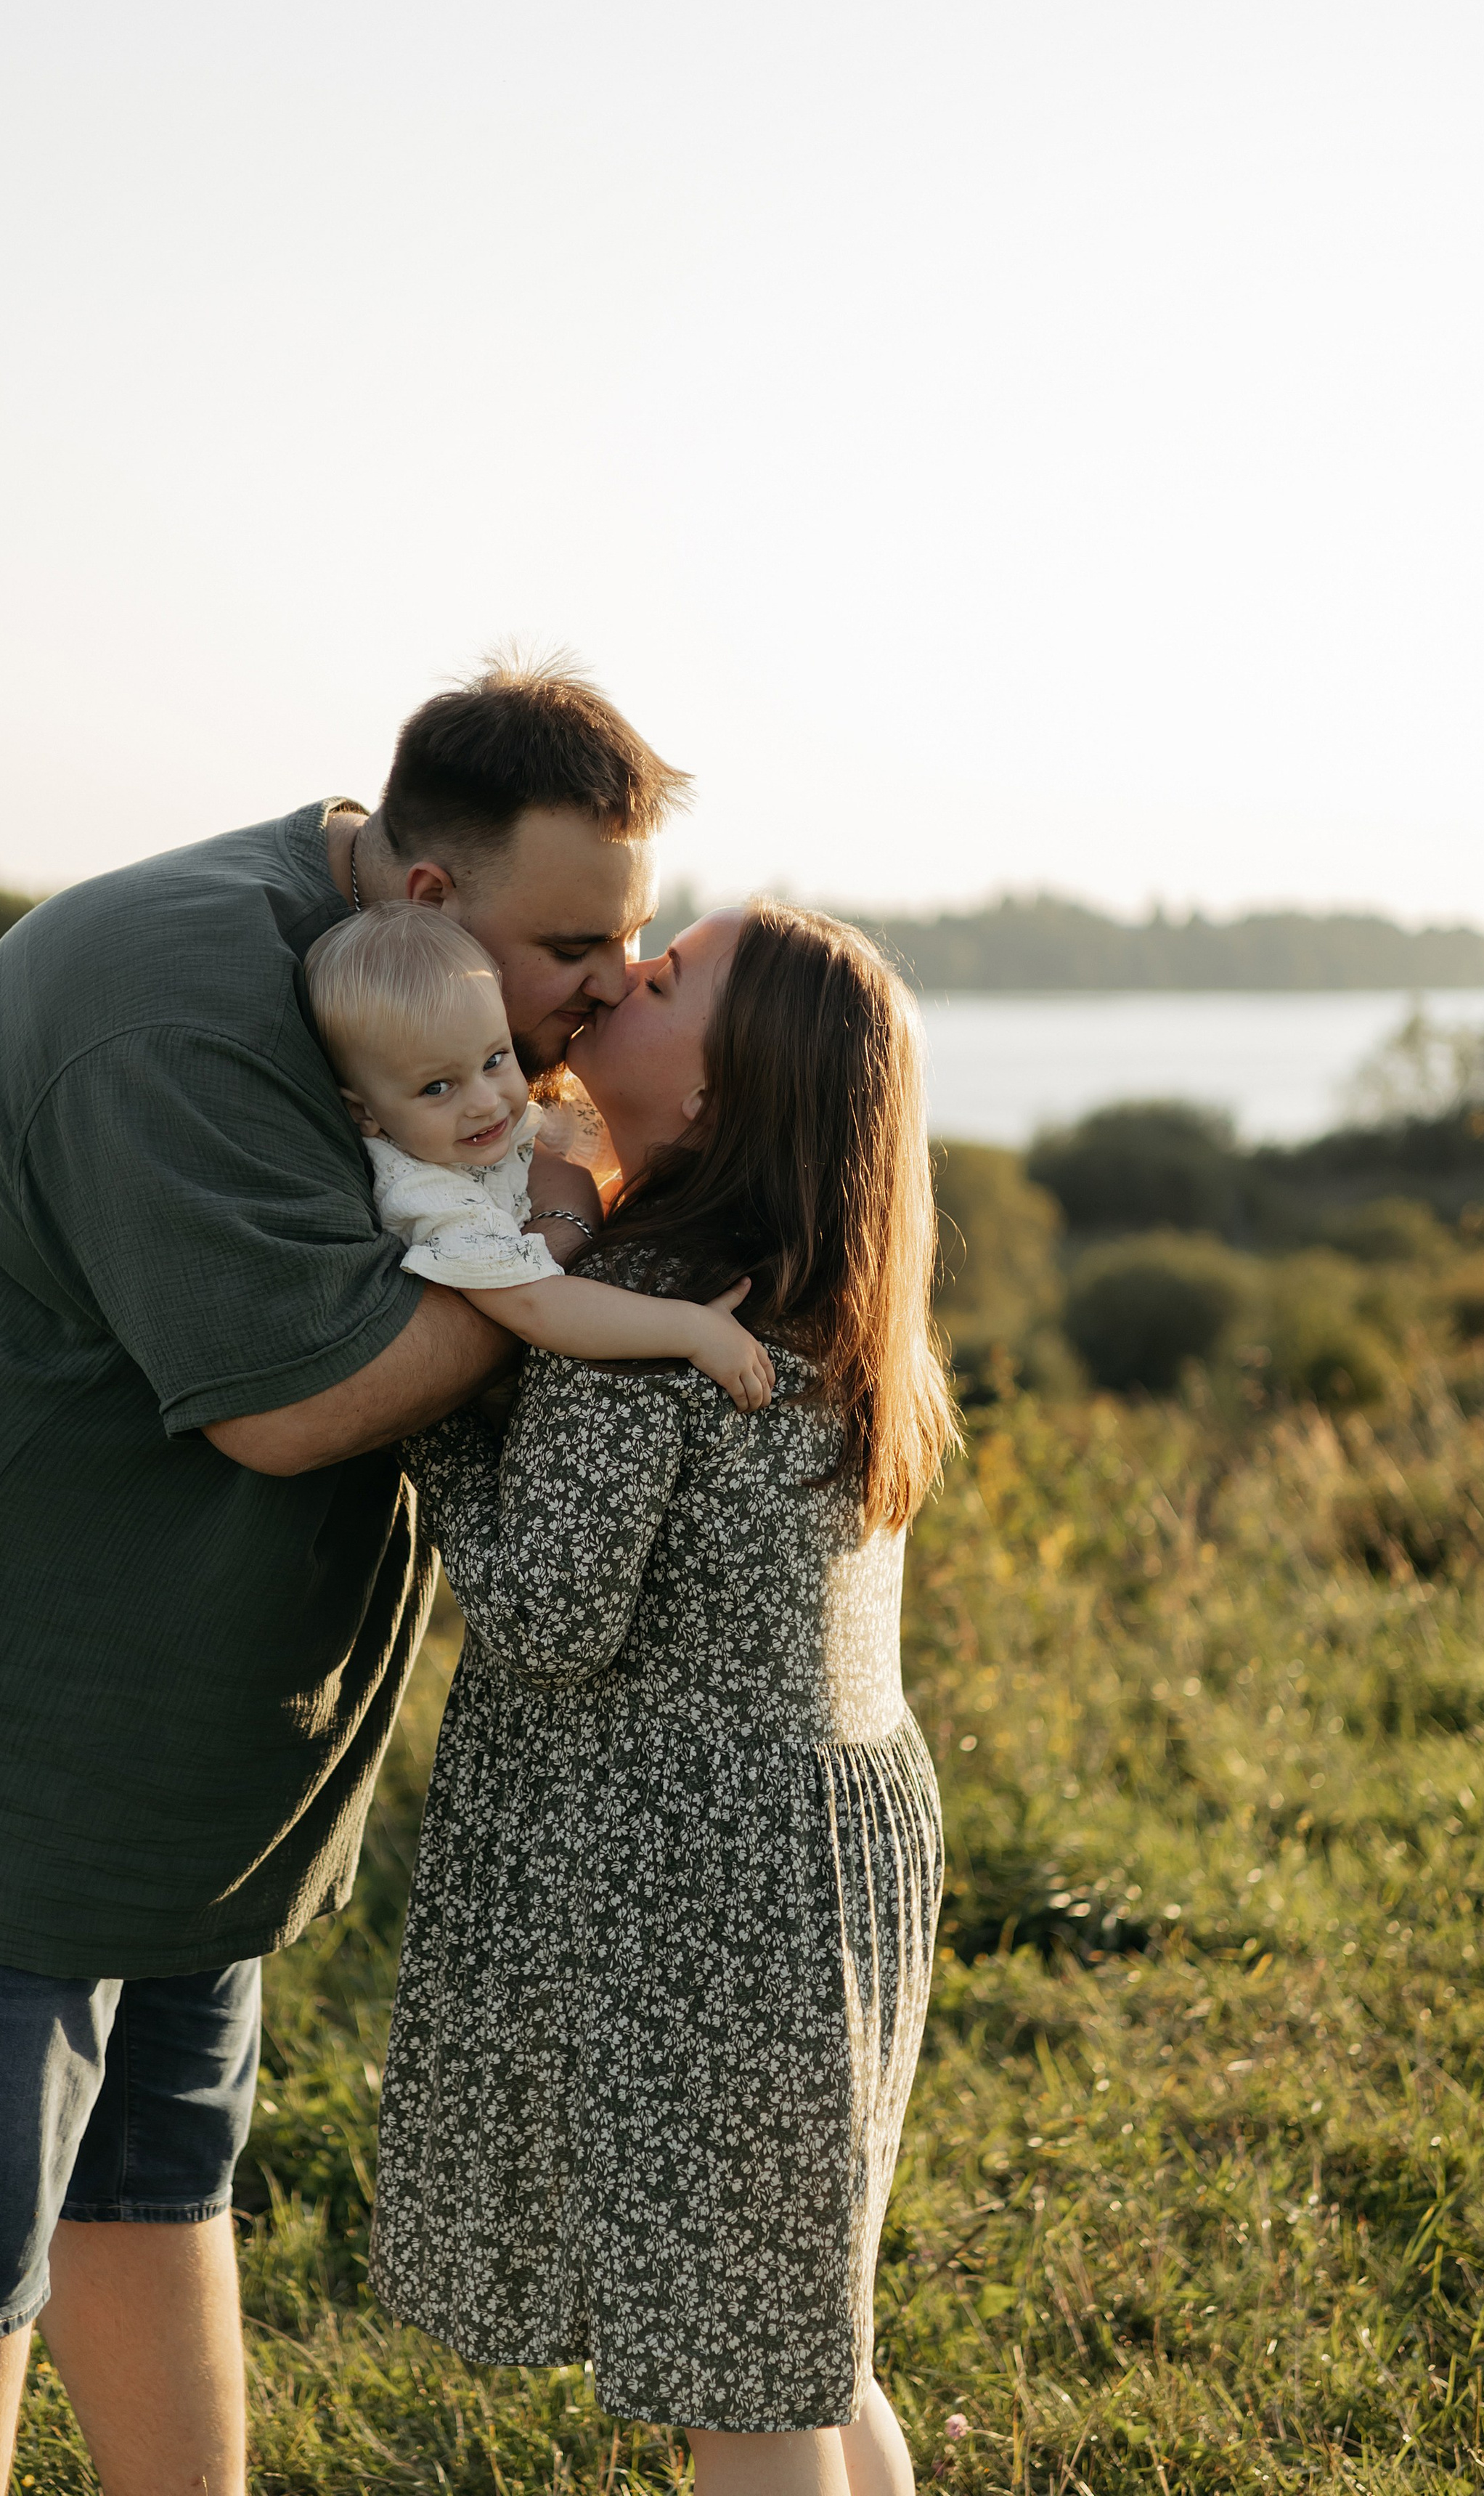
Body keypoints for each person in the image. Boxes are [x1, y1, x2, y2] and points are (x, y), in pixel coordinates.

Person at [0, 659, 686, 2496]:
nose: (610, 986)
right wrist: (554, 1234)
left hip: (165, 1737)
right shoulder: (174, 998)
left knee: (155, 2170)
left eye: (630, 942)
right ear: (422, 900)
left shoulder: (416, 1009)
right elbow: (307, 1398)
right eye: (574, 941)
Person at [371, 901, 962, 2496]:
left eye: (666, 974)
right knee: (796, 2348)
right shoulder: (817, 1287)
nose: (622, 973)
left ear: (717, 1094)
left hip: (692, 1897)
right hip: (819, 1860)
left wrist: (424, 1420)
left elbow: (550, 1616)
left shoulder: (646, 1301)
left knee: (747, 2396)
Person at [306, 899, 775, 1407]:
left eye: (494, 1058)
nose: (486, 1102)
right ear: (365, 1114)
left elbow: (573, 1132)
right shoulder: (428, 1194)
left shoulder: (468, 1128)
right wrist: (692, 1330)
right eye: (437, 1086)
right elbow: (536, 1304)